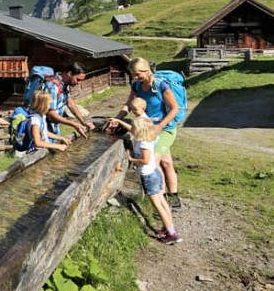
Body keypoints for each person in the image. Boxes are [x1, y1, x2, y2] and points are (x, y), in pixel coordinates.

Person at [105, 57, 182, 209]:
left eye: (137, 74)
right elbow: (128, 104)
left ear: (146, 71)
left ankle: (163, 199)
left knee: (154, 160)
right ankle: (173, 196)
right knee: (166, 162)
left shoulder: (161, 85)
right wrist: (118, 118)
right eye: (132, 75)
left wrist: (160, 126)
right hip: (147, 130)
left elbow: (174, 109)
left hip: (165, 129)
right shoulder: (137, 85)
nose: (134, 78)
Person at [127, 115, 180, 244]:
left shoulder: (143, 143)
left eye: (133, 127)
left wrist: (131, 159)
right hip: (155, 173)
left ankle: (171, 234)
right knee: (162, 202)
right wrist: (118, 121)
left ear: (139, 130)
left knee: (157, 205)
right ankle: (169, 227)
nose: (131, 129)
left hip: (149, 176)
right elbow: (131, 128)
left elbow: (144, 160)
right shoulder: (149, 137)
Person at [42, 62, 97, 138]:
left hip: (54, 126)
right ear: (70, 73)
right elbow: (51, 113)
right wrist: (74, 124)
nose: (78, 83)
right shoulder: (52, 87)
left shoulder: (64, 85)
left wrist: (83, 122)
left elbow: (70, 103)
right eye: (78, 79)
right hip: (44, 128)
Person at [17, 90, 73, 155]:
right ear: (43, 105)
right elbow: (37, 143)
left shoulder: (42, 116)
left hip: (43, 150)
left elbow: (44, 132)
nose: (50, 106)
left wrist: (61, 138)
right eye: (49, 104)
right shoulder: (35, 120)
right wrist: (57, 146)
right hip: (36, 154)